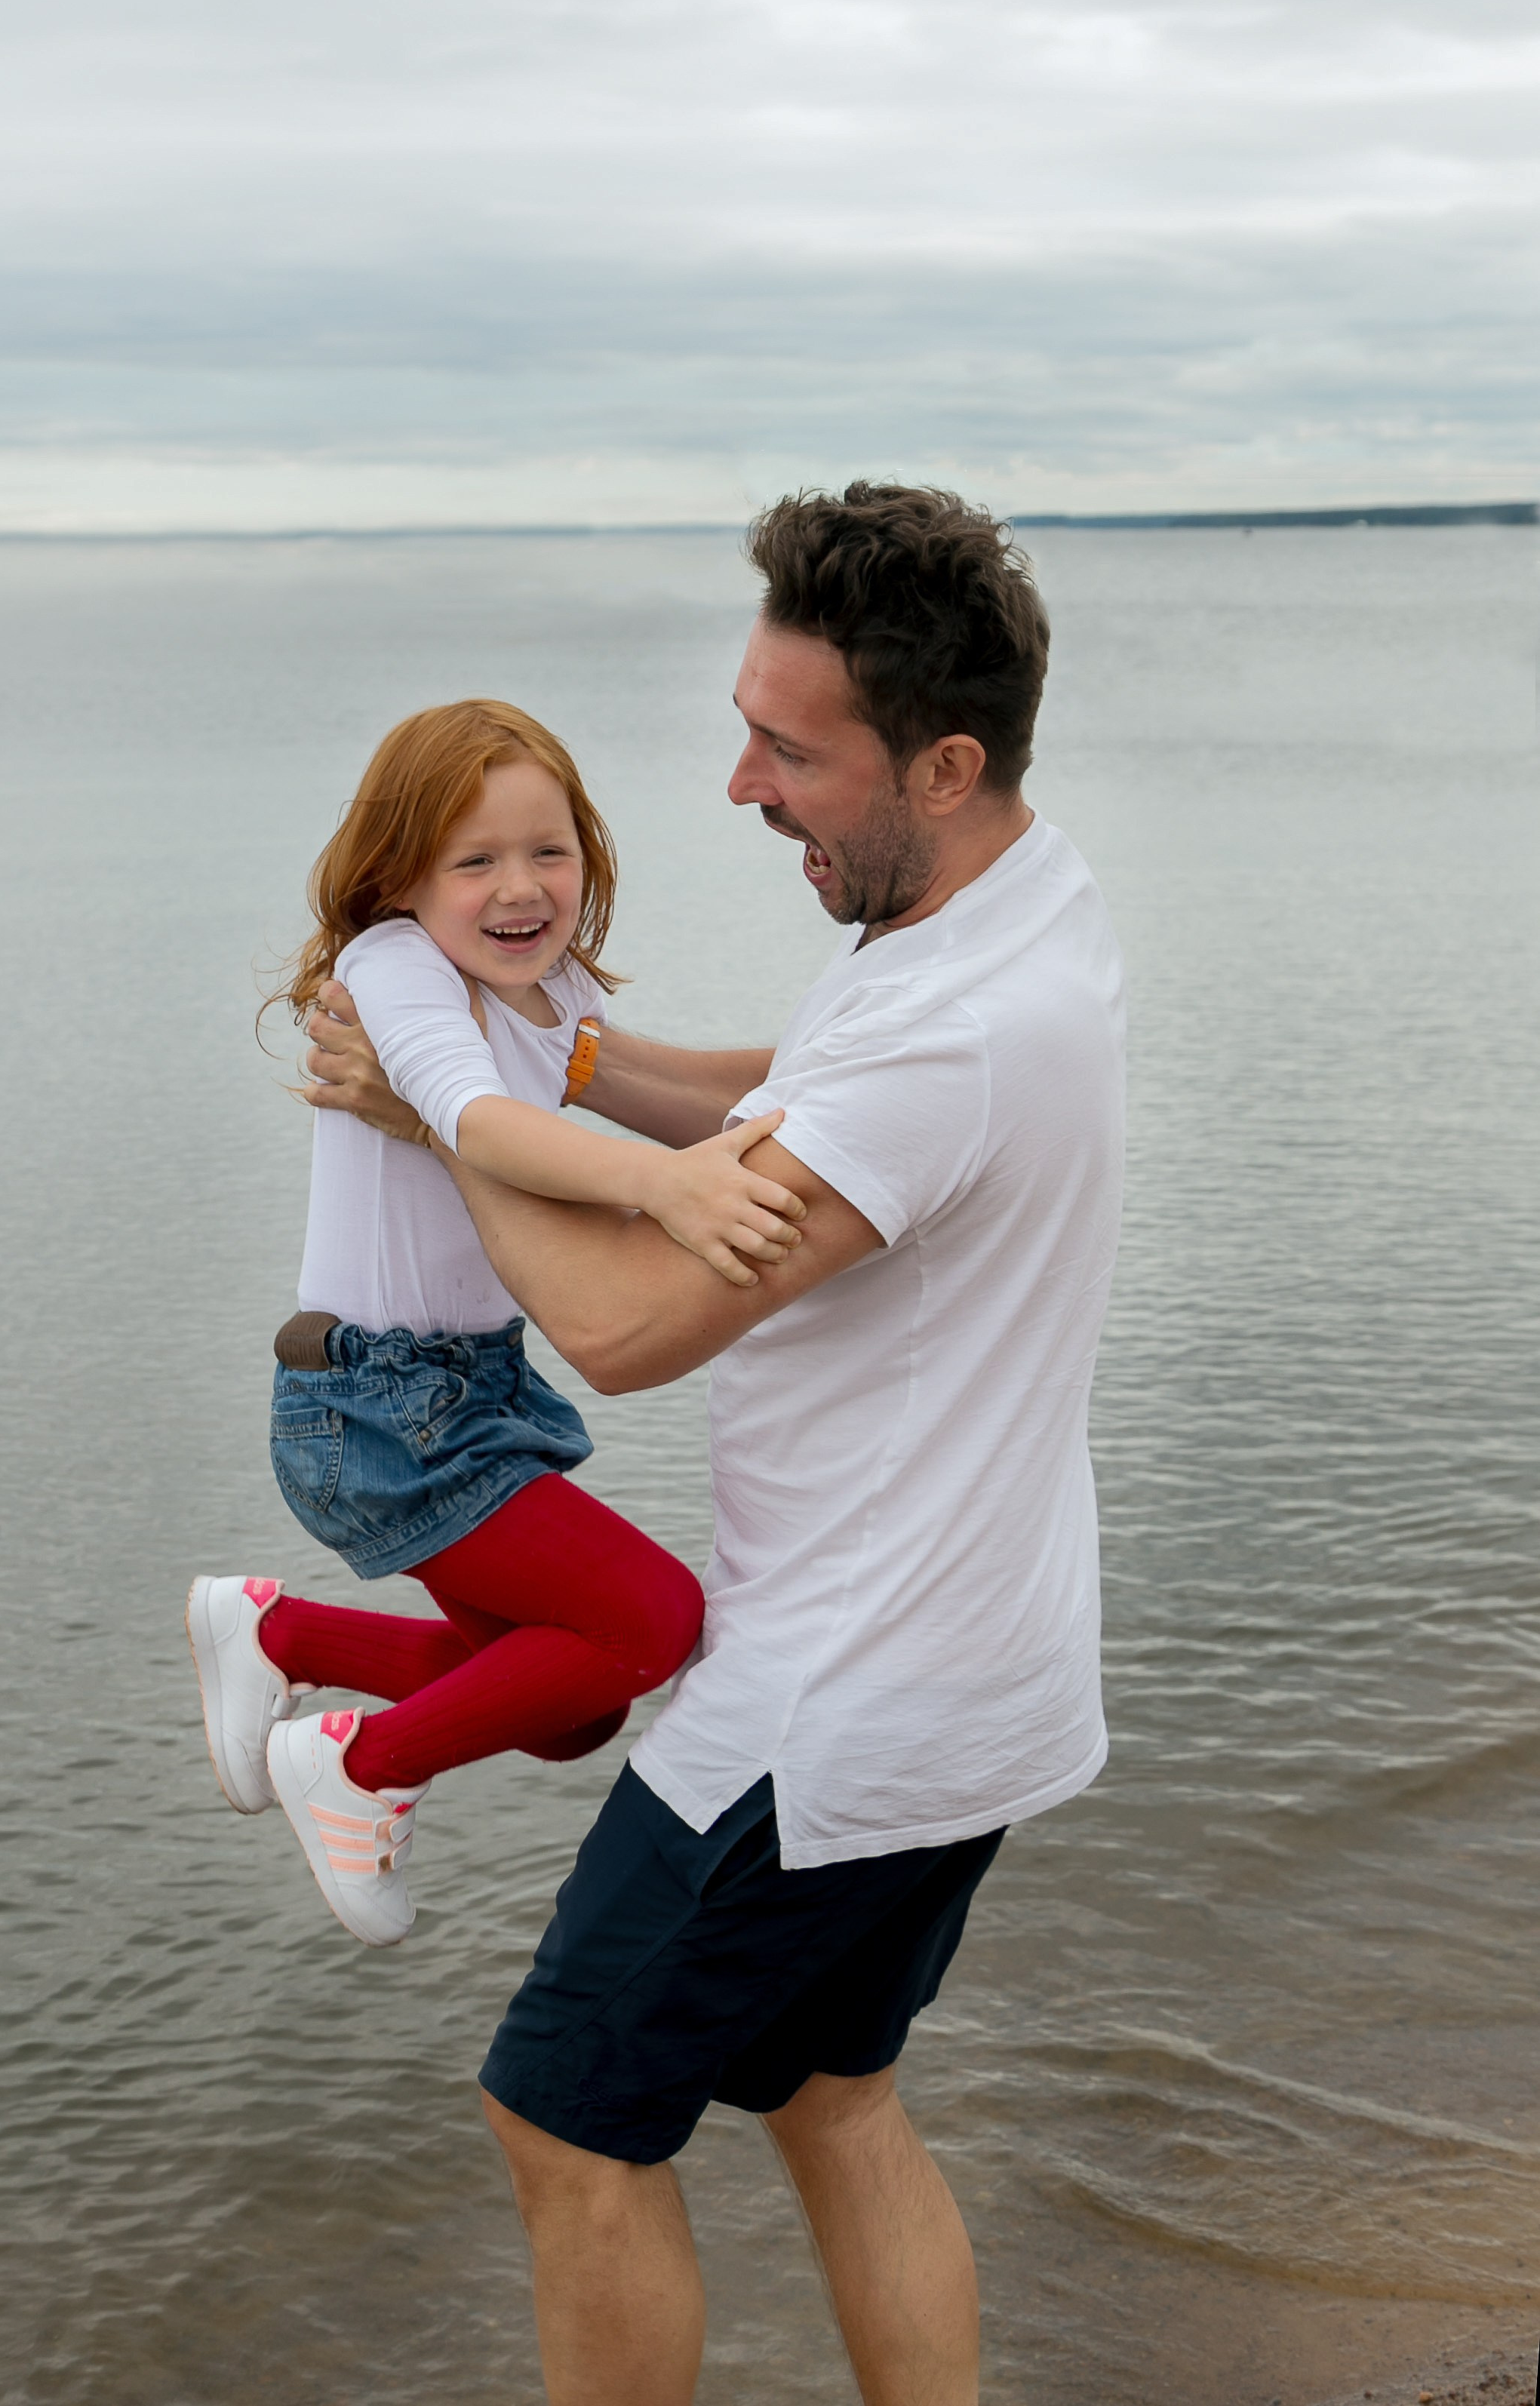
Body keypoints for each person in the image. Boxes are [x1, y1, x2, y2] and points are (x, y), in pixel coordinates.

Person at [305, 484, 1126, 2406]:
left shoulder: (952, 1036)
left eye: (788, 748)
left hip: (834, 1705)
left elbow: (618, 1327)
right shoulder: (1004, 904)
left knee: (566, 2131)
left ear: (936, 759)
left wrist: (439, 1114)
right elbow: (756, 1100)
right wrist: (553, 1049)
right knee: (836, 2099)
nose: (741, 783)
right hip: (984, 1668)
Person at [185, 698, 805, 1946]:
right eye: (475, 861)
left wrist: (874, 1067)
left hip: (472, 1388)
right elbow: (474, 1117)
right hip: (375, 1403)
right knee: (651, 1619)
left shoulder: (547, 988)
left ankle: (276, 1630)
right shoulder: (396, 970)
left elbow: (675, 1082)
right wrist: (660, 1183)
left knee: (572, 1707)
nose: (521, 888)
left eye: (550, 851)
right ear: (398, 874)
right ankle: (356, 1768)